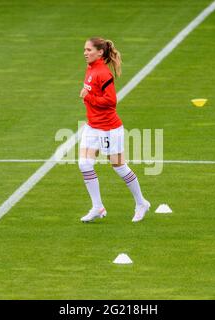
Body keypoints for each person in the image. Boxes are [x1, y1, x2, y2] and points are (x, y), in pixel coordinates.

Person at [78, 37, 150, 223]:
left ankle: (141, 203)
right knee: (84, 164)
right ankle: (97, 207)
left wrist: (89, 98)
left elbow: (111, 101)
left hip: (109, 129)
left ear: (100, 52)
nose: (85, 53)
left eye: (89, 49)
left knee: (118, 166)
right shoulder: (91, 69)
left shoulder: (103, 73)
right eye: (84, 49)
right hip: (93, 126)